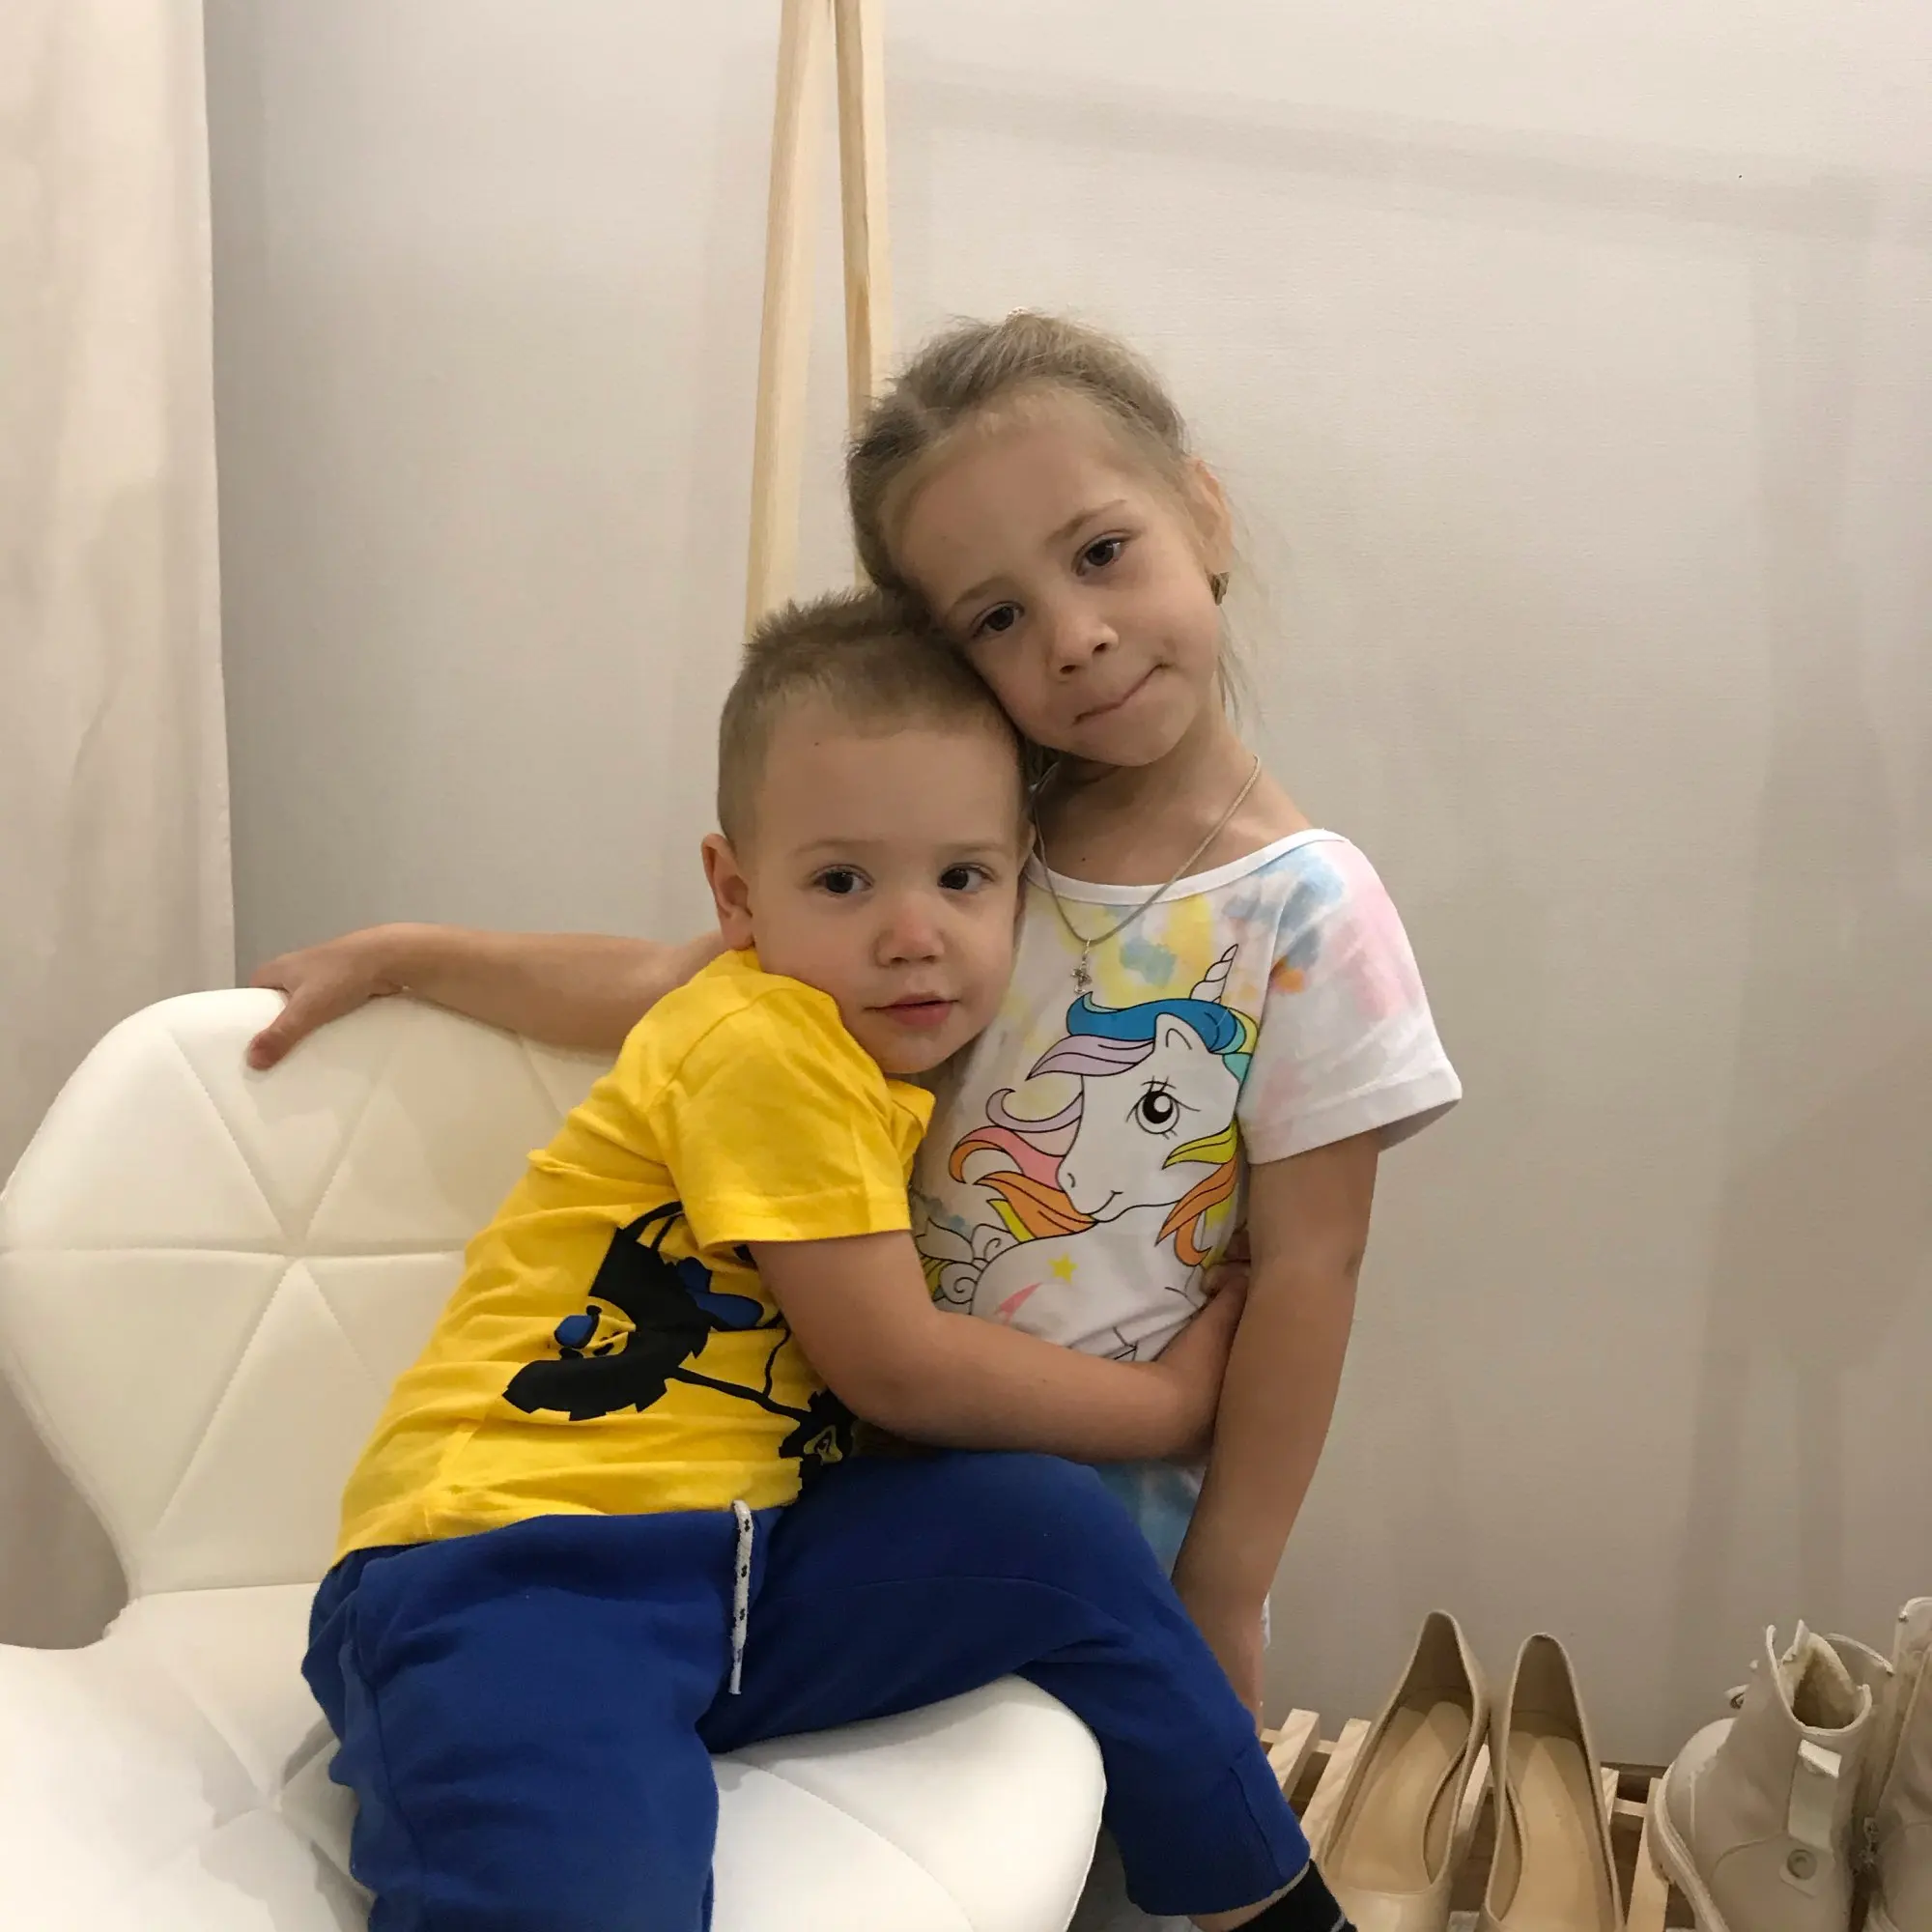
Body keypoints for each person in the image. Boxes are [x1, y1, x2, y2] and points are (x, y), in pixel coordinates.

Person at [256, 313, 1459, 1717]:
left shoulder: (1306, 913)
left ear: (1202, 511)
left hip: (1110, 1514)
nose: (1075, 638)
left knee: (1100, 1824)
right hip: (842, 1496)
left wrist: (1229, 1586)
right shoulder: (958, 852)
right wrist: (407, 956)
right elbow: (671, 982)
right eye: (997, 618)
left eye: (1101, 552)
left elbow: (1310, 1274)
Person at [302, 588, 1354, 1932]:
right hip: (515, 1569)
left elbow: (627, 974)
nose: (912, 932)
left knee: (1052, 1531)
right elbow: (894, 1368)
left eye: (962, 878)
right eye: (845, 882)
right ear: (739, 896)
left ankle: (1268, 1906)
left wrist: (410, 955)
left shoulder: (825, 1027)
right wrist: (1168, 1407)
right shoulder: (768, 1045)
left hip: (748, 1566)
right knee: (586, 1894)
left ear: (1020, 880)